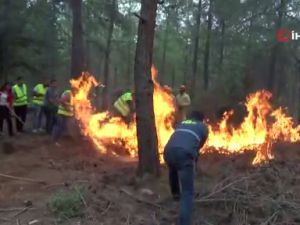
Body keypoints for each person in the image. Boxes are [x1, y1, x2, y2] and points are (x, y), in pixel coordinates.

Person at [163, 111, 208, 225]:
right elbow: (198, 146)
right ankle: (184, 222)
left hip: (168, 151)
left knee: (173, 169)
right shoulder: (203, 127)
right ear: (202, 119)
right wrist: (194, 160)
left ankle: (175, 195)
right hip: (185, 153)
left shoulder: (182, 123)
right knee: (188, 192)